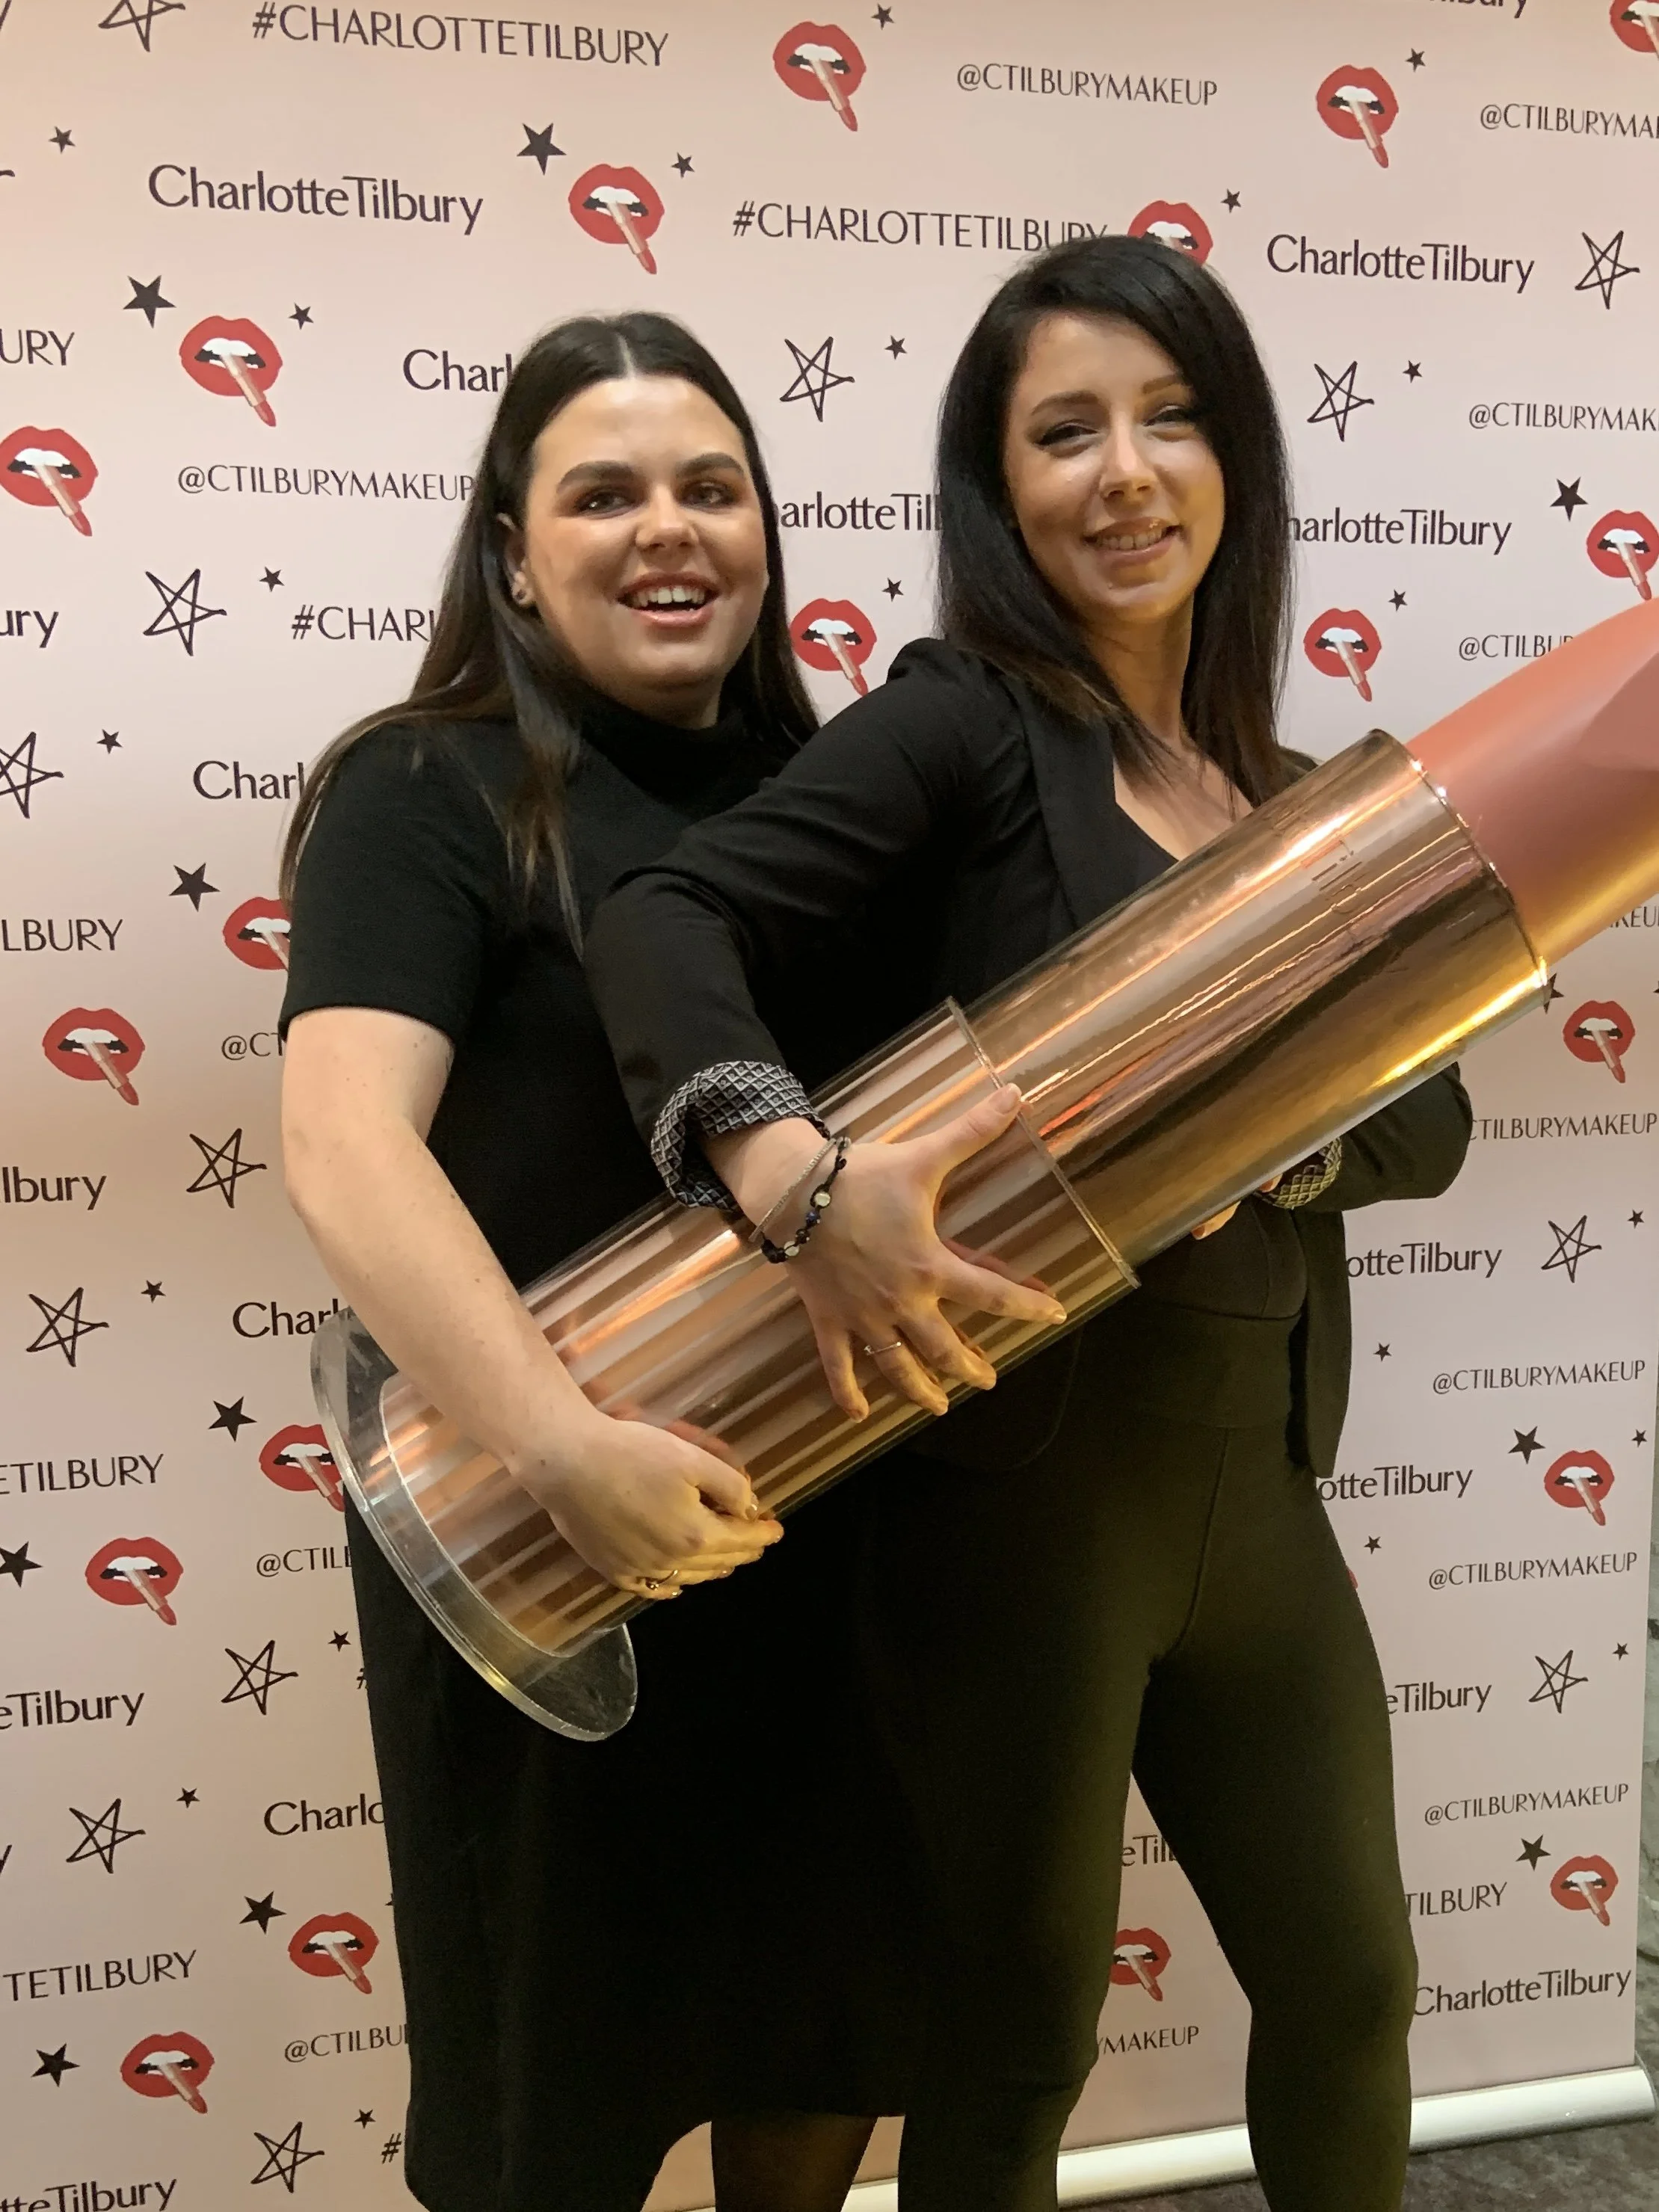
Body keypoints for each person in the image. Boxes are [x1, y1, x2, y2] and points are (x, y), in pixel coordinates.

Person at [586, 237, 1473, 2212]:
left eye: (1168, 419)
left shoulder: (1298, 792)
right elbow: (665, 914)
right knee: (1014, 2039)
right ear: (1001, 489)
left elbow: (1436, 1112)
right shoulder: (966, 724)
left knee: (1351, 1985)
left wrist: (1287, 1135)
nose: (1123, 472)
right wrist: (788, 1172)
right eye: (1062, 432)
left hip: (1256, 1489)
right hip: (1015, 1510)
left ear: (1236, 457)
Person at [277, 312, 936, 2212]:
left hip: (818, 1534)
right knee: (543, 2111)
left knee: (819, 2039)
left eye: (710, 487)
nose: (669, 530)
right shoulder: (428, 785)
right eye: (605, 492)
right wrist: (562, 1451)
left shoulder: (836, 788)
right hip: (532, 1542)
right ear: (510, 549)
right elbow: (340, 1143)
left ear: (764, 528)